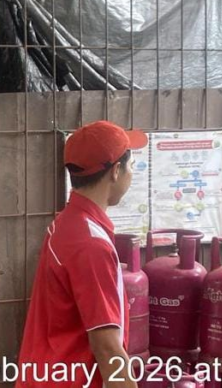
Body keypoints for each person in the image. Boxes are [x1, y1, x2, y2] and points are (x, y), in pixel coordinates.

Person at [16, 120, 148, 388]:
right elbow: (107, 348)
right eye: (132, 166)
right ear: (115, 171)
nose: (132, 174)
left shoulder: (67, 223)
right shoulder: (91, 244)